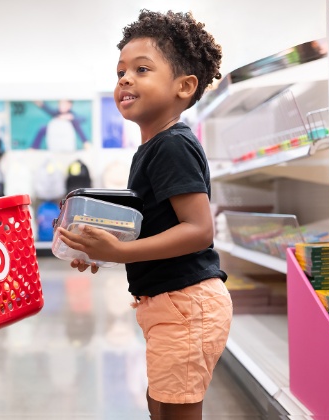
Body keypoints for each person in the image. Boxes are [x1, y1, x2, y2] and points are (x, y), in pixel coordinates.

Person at [56, 10, 233, 420]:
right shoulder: (152, 148)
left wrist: (119, 253)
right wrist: (99, 247)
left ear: (184, 86)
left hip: (187, 303)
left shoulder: (172, 145)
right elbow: (152, 226)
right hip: (168, 304)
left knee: (174, 410)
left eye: (141, 69)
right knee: (160, 404)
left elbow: (198, 230)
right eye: (120, 71)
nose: (124, 79)